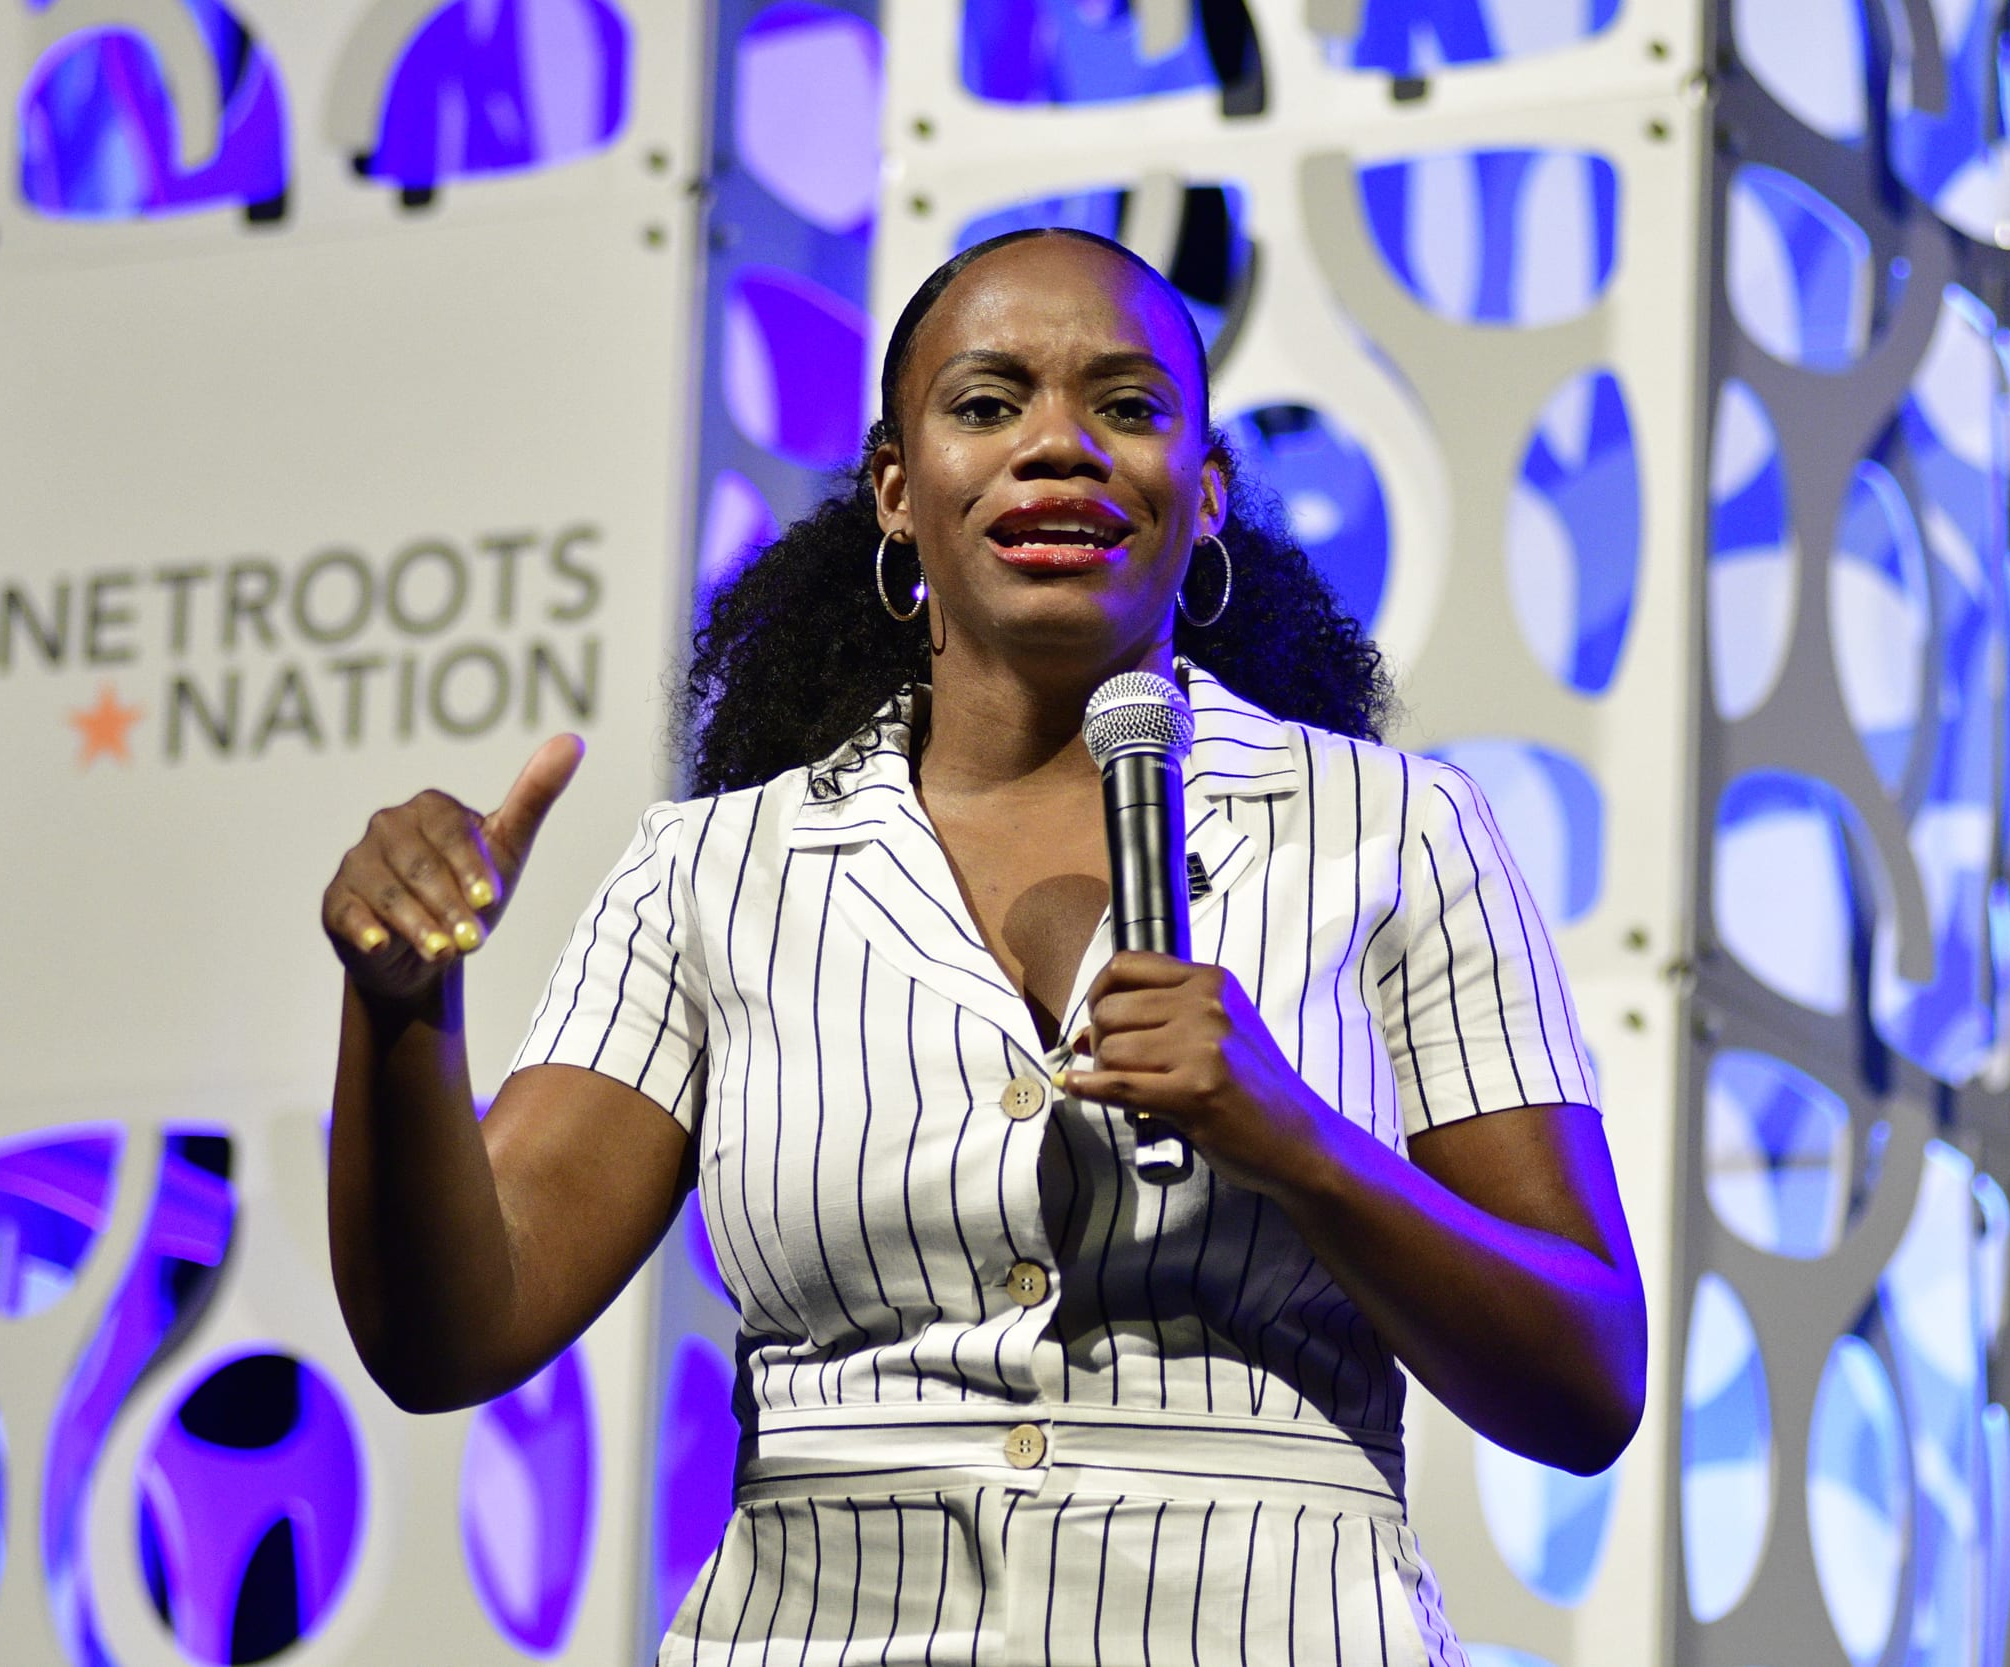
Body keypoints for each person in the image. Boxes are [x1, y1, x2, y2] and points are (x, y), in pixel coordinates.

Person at [323, 227, 1646, 1664]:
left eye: (1128, 407)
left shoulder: (1396, 829)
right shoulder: (716, 869)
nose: (1060, 446)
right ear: (899, 490)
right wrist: (402, 1009)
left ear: (1205, 496)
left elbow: (1585, 1378)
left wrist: (1304, 1145)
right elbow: (452, 1333)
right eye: (988, 402)